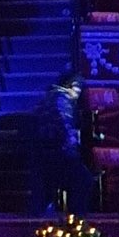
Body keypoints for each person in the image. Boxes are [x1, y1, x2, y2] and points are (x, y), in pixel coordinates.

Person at [31, 77, 97, 215]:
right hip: (58, 152)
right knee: (84, 180)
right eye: (77, 87)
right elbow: (64, 126)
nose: (78, 92)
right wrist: (72, 148)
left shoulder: (49, 97)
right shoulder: (62, 98)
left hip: (47, 152)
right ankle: (76, 218)